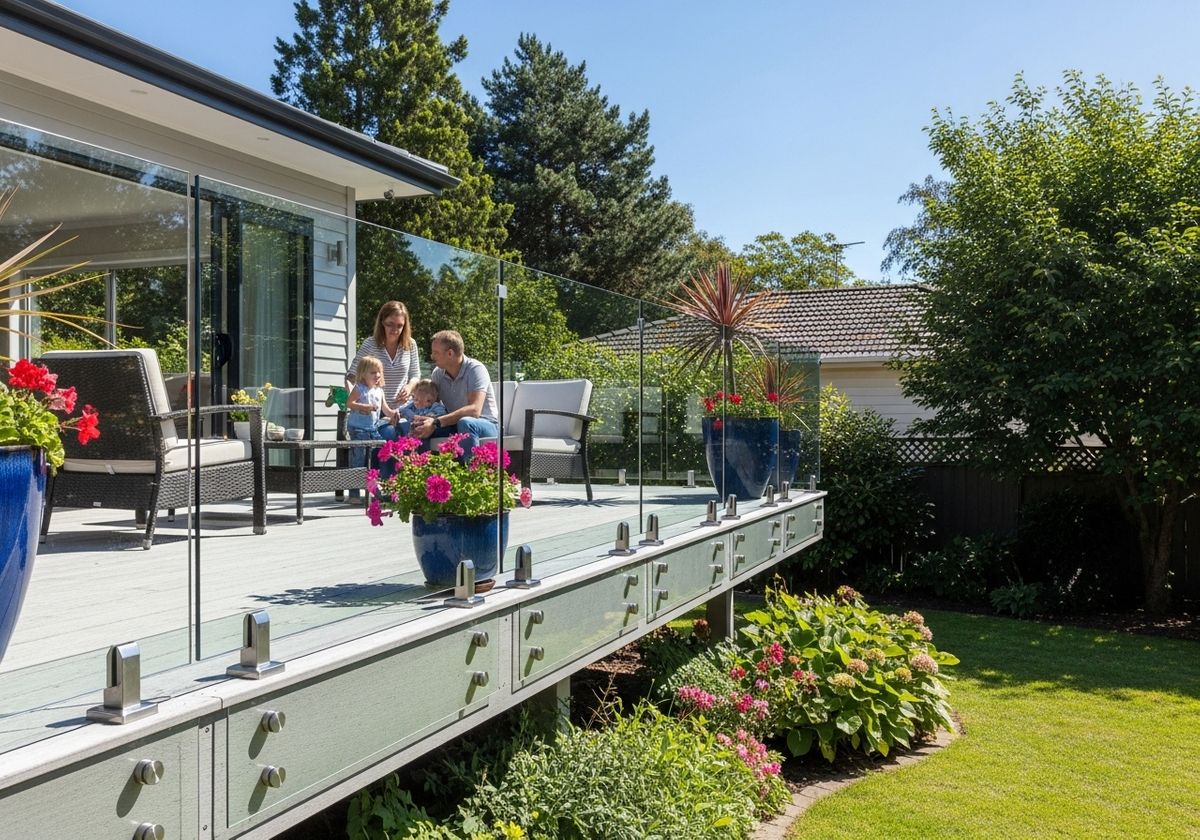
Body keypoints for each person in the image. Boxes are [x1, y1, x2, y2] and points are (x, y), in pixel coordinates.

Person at [410, 330, 499, 461]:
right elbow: (432, 405)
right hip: (454, 424)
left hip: (486, 424)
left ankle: (470, 474)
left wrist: (436, 422)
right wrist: (423, 419)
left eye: (436, 353)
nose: (432, 356)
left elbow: (474, 410)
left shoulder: (475, 369)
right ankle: (424, 471)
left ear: (450, 353)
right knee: (422, 426)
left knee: (466, 422)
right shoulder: (438, 374)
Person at [346, 301, 421, 408]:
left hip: (402, 409)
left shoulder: (410, 344)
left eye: (399, 326)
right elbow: (351, 376)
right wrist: (357, 404)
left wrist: (409, 387)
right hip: (373, 410)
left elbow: (415, 375)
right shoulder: (370, 344)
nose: (395, 330)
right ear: (382, 322)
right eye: (390, 324)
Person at [345, 357, 398, 501]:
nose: (377, 375)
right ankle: (354, 494)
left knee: (385, 451)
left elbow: (386, 410)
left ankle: (379, 486)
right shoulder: (359, 388)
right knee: (359, 461)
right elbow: (349, 403)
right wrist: (364, 407)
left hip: (372, 429)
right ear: (363, 374)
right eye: (373, 372)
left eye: (379, 372)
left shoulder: (379, 391)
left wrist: (394, 413)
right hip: (358, 429)